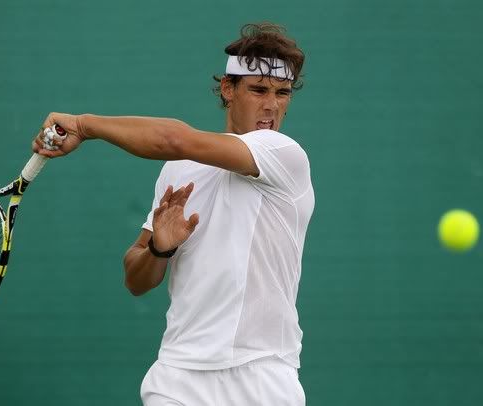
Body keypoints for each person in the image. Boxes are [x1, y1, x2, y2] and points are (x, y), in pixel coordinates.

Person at [33, 22, 314, 406]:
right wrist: (159, 250)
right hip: (179, 378)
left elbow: (173, 139)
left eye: (282, 93)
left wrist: (84, 125)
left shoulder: (285, 154)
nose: (272, 105)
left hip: (263, 376)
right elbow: (136, 279)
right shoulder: (179, 170)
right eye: (258, 89)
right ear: (228, 90)